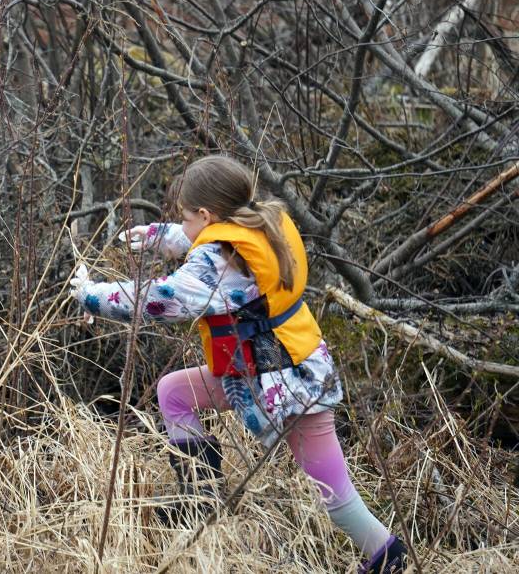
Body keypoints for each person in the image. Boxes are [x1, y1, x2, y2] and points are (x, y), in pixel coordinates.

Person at [68, 155, 407, 574]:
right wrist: (160, 236)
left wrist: (90, 294)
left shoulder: (219, 261)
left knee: (337, 498)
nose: (184, 225)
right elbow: (204, 241)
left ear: (207, 215)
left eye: (186, 217)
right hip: (276, 372)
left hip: (291, 388)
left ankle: (386, 555)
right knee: (174, 392)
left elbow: (160, 298)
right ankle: (200, 495)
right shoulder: (258, 221)